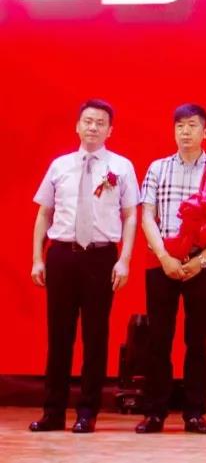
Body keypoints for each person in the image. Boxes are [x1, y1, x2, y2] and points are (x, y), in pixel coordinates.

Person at [29, 99, 139, 434]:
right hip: (62, 255)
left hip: (101, 257)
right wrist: (37, 258)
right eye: (88, 121)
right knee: (59, 336)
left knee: (95, 336)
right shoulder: (60, 165)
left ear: (110, 130)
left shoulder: (121, 166)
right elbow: (44, 213)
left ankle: (87, 412)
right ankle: (52, 412)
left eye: (100, 122)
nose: (93, 127)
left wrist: (124, 259)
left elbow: (130, 215)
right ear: (77, 126)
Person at [136, 103, 206, 434]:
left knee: (197, 341)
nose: (185, 131)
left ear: (205, 132)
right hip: (161, 261)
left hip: (201, 263)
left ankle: (194, 413)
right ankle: (154, 412)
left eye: (192, 125)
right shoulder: (158, 167)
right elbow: (147, 215)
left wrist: (202, 259)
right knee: (158, 339)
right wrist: (164, 256)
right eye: (179, 125)